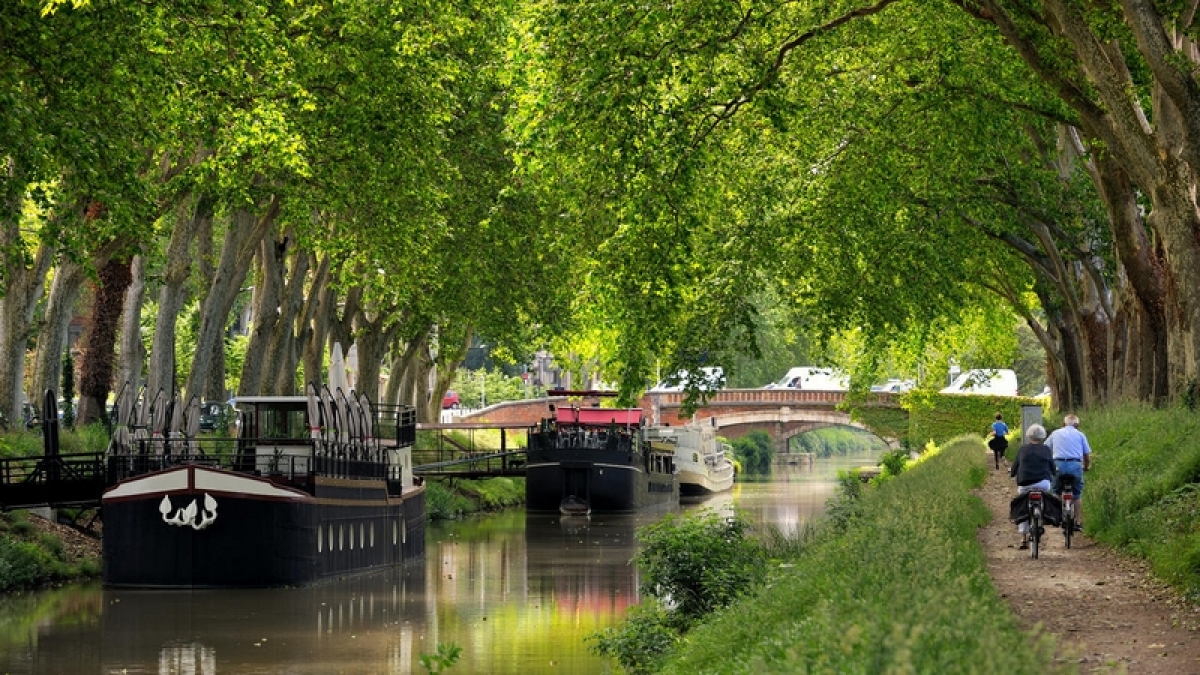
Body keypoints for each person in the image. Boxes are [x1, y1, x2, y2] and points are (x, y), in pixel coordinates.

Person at [1009, 423, 1057, 549]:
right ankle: (1044, 515)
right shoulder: (1046, 449)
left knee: (1023, 507)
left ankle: (1023, 539)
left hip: (1025, 483)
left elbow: (1015, 467)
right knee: (1046, 496)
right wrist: (1053, 473)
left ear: (1028, 435)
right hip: (1043, 483)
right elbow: (1052, 468)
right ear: (1042, 437)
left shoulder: (1022, 449)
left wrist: (1012, 473)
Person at [1046, 413, 1091, 531]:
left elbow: (1046, 449)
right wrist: (1086, 467)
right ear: (1077, 425)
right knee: (1076, 494)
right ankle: (1077, 521)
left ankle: (1055, 516)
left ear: (1063, 423)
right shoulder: (1080, 435)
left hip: (1058, 465)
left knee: (1055, 490)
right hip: (1075, 465)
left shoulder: (1055, 433)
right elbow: (1086, 455)